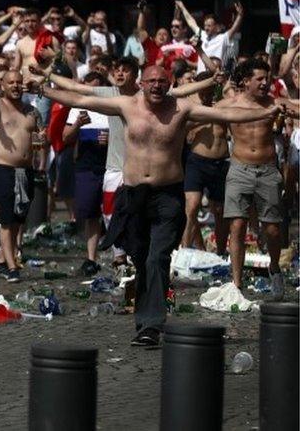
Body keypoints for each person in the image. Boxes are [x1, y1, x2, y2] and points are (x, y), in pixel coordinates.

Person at [35, 65, 281, 347]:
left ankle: (151, 325)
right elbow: (79, 100)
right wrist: (44, 89)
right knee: (141, 260)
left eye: (162, 81)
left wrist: (264, 113)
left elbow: (225, 113)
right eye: (151, 81)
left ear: (170, 83)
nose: (156, 86)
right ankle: (146, 320)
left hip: (168, 196)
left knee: (157, 258)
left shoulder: (181, 109)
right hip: (134, 195)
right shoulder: (126, 105)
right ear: (141, 83)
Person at [219, 59, 299, 300]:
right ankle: (237, 282)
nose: (265, 83)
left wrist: (290, 112)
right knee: (237, 225)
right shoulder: (229, 104)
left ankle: (274, 268)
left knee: (272, 229)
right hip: (239, 168)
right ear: (245, 82)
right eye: (259, 79)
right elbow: (198, 112)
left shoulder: (275, 103)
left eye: (267, 79)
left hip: (266, 170)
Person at [0, 70, 42, 283]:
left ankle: (1, 260)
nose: (15, 86)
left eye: (18, 82)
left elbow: (41, 138)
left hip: (25, 171)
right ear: (3, 86)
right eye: (11, 83)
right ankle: (12, 266)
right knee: (6, 220)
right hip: (4, 169)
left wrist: (41, 147)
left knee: (18, 219)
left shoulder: (32, 111)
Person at [61, 72, 111, 276]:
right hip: (87, 166)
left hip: (111, 166)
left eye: (96, 88)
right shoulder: (77, 108)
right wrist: (78, 125)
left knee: (112, 213)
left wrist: (111, 138)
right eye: (88, 88)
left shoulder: (111, 107)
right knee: (90, 213)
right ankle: (91, 258)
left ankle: (119, 256)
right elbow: (66, 138)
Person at [180, 72, 231, 255]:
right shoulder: (191, 107)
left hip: (221, 161)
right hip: (197, 161)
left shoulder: (224, 105)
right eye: (202, 89)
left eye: (208, 89)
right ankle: (185, 251)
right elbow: (182, 129)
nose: (205, 93)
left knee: (219, 210)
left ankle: (220, 252)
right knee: (191, 206)